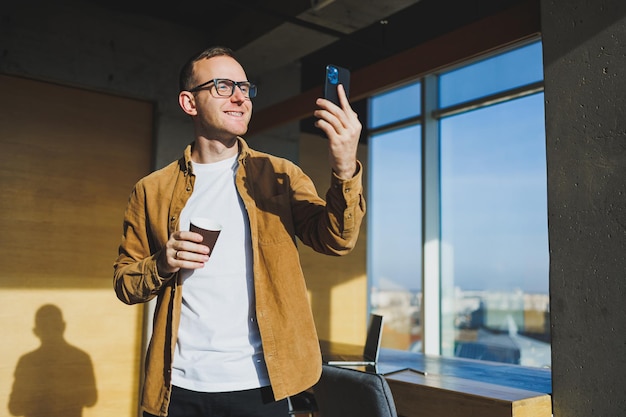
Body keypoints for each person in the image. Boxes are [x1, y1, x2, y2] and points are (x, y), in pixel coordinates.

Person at [113, 46, 365, 417]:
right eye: (222, 85)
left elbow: (336, 240)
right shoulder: (151, 190)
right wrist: (162, 262)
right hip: (178, 389)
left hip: (262, 387)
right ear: (189, 102)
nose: (239, 97)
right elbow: (124, 283)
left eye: (245, 87)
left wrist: (344, 169)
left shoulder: (280, 174)